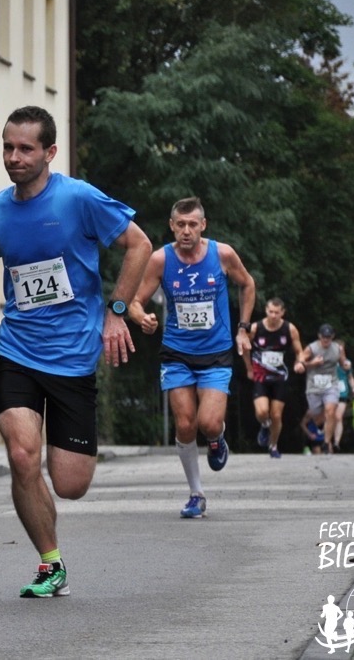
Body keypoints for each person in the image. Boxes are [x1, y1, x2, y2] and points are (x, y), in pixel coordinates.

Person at [0, 105, 152, 599]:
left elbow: (139, 245)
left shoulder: (78, 198)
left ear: (50, 152)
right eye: (7, 147)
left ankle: (55, 503)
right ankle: (50, 563)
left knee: (70, 484)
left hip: (73, 357)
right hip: (18, 351)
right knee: (22, 455)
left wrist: (116, 310)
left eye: (25, 148)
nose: (13, 157)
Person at [128, 196, 255, 519]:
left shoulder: (222, 254)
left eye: (192, 225)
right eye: (181, 225)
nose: (187, 231)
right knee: (185, 425)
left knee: (208, 423)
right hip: (177, 353)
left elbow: (248, 284)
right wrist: (142, 317)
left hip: (215, 352)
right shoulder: (161, 259)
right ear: (172, 226)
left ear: (203, 225)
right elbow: (135, 301)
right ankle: (196, 493)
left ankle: (216, 438)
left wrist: (243, 329)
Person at [242, 297, 304, 458]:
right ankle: (264, 424)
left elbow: (299, 351)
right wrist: (249, 368)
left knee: (276, 415)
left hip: (279, 377)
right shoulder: (256, 328)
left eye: (277, 312)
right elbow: (244, 348)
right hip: (260, 375)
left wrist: (299, 362)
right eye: (271, 311)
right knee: (262, 411)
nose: (273, 315)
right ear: (266, 311)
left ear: (282, 313)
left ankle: (273, 445)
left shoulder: (289, 329)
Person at [297, 324, 351, 455]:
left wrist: (346, 365)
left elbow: (343, 362)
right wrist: (312, 363)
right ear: (319, 336)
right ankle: (322, 432)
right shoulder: (311, 348)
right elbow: (300, 363)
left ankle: (326, 443)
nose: (326, 340)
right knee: (316, 415)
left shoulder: (337, 349)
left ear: (332, 337)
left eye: (328, 337)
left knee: (330, 411)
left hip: (331, 384)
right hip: (314, 386)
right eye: (323, 337)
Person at [334, 343, 354, 450]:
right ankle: (327, 441)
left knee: (338, 417)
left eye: (341, 351)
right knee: (329, 416)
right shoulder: (329, 361)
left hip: (342, 392)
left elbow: (350, 377)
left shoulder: (347, 363)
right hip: (330, 391)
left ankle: (336, 442)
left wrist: (353, 388)